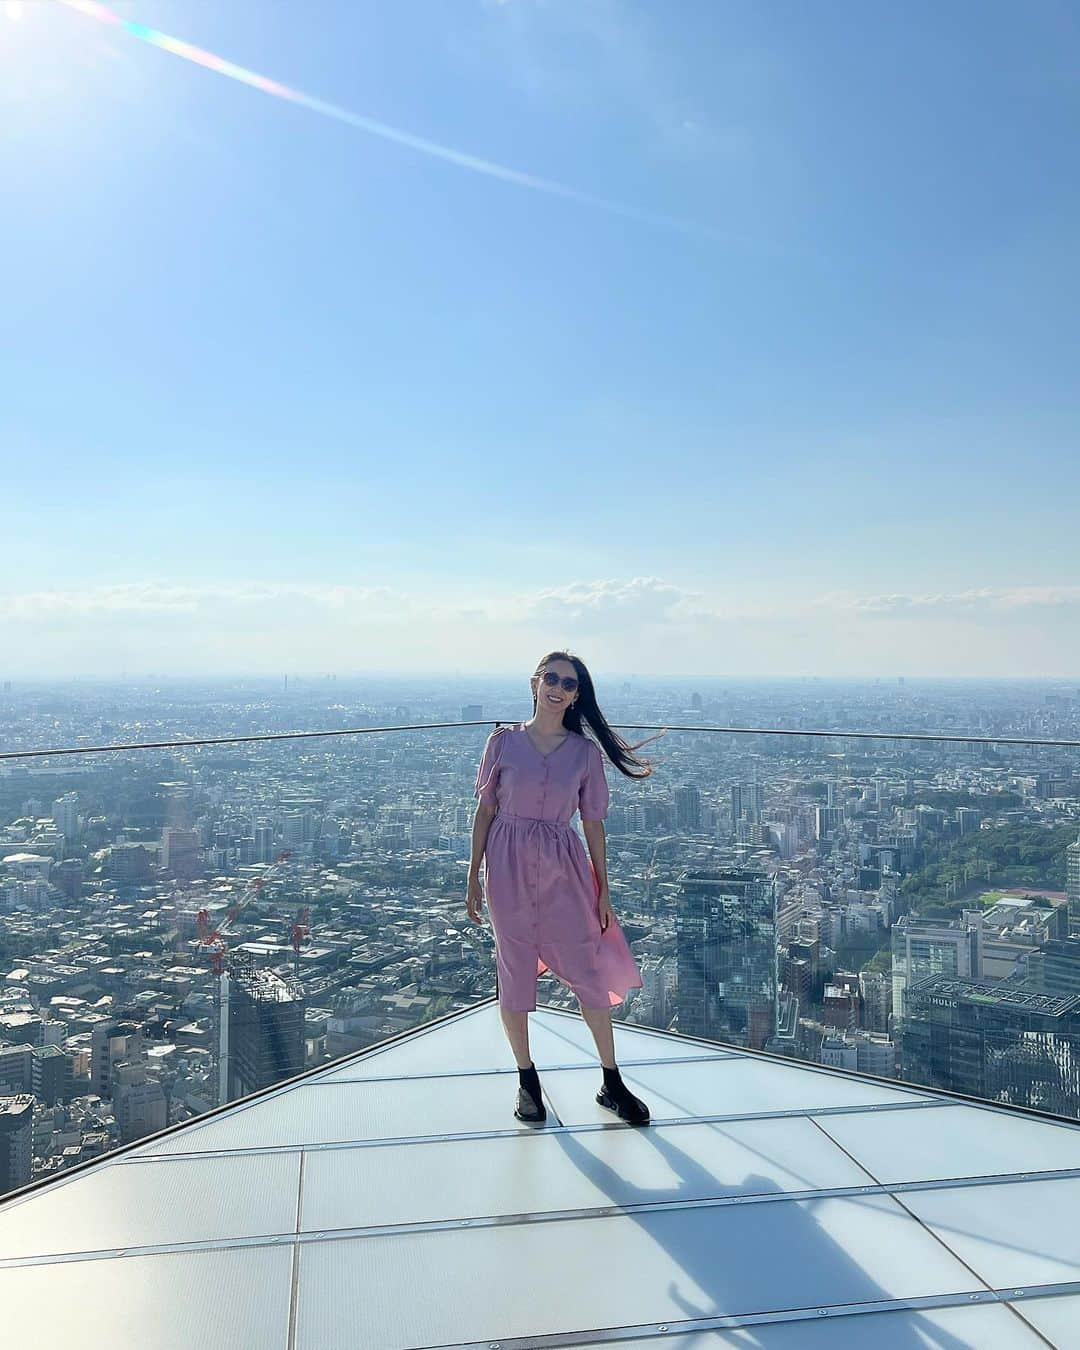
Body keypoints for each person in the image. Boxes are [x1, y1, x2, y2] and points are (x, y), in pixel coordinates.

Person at [466, 649, 667, 1127]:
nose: (559, 688)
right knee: (513, 972)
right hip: (508, 868)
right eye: (552, 678)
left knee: (586, 972)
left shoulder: (584, 754)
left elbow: (592, 823)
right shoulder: (503, 743)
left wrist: (604, 890)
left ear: (578, 696)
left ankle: (611, 1080)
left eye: (570, 684)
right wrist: (472, 874)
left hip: (565, 867)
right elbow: (485, 811)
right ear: (535, 682)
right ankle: (527, 1079)